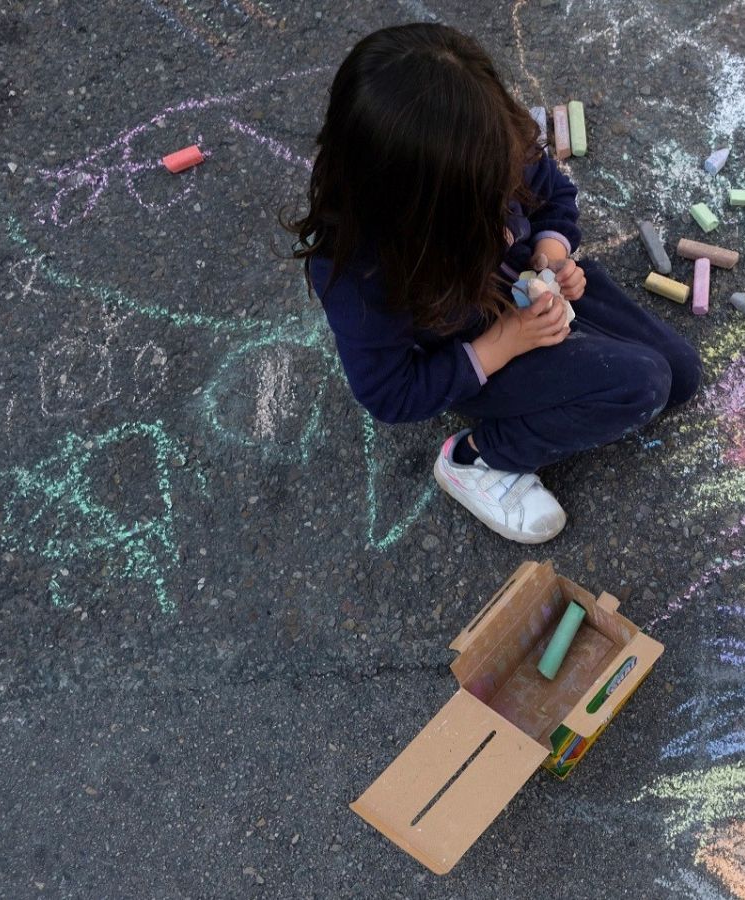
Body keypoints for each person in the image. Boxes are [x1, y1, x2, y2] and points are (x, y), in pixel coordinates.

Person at [288, 24, 699, 543]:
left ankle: (565, 347)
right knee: (644, 384)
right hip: (477, 346)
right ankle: (476, 458)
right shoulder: (361, 273)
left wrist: (553, 256)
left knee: (681, 375)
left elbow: (553, 195)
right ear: (414, 209)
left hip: (539, 295)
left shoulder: (489, 149)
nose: (505, 193)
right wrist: (501, 345)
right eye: (481, 206)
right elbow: (390, 393)